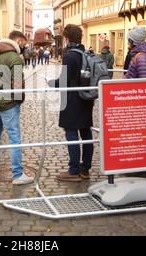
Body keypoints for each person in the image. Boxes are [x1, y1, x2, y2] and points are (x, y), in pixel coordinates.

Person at [49, 24, 95, 182]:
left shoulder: (70, 56)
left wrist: (50, 83)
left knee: (71, 133)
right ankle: (85, 169)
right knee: (86, 133)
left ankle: (74, 170)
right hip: (86, 99)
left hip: (72, 101)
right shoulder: (86, 53)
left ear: (67, 38)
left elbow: (63, 81)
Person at [0, 30, 34, 185]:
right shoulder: (15, 58)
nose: (24, 46)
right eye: (24, 42)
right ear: (19, 41)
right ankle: (17, 174)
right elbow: (18, 85)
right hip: (8, 104)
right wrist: (18, 101)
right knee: (14, 138)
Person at [123, 27, 146, 178]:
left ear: (133, 41)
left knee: (137, 138)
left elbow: (145, 82)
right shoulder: (138, 55)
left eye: (129, 39)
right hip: (132, 101)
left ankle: (138, 169)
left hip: (137, 104)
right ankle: (132, 166)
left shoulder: (141, 57)